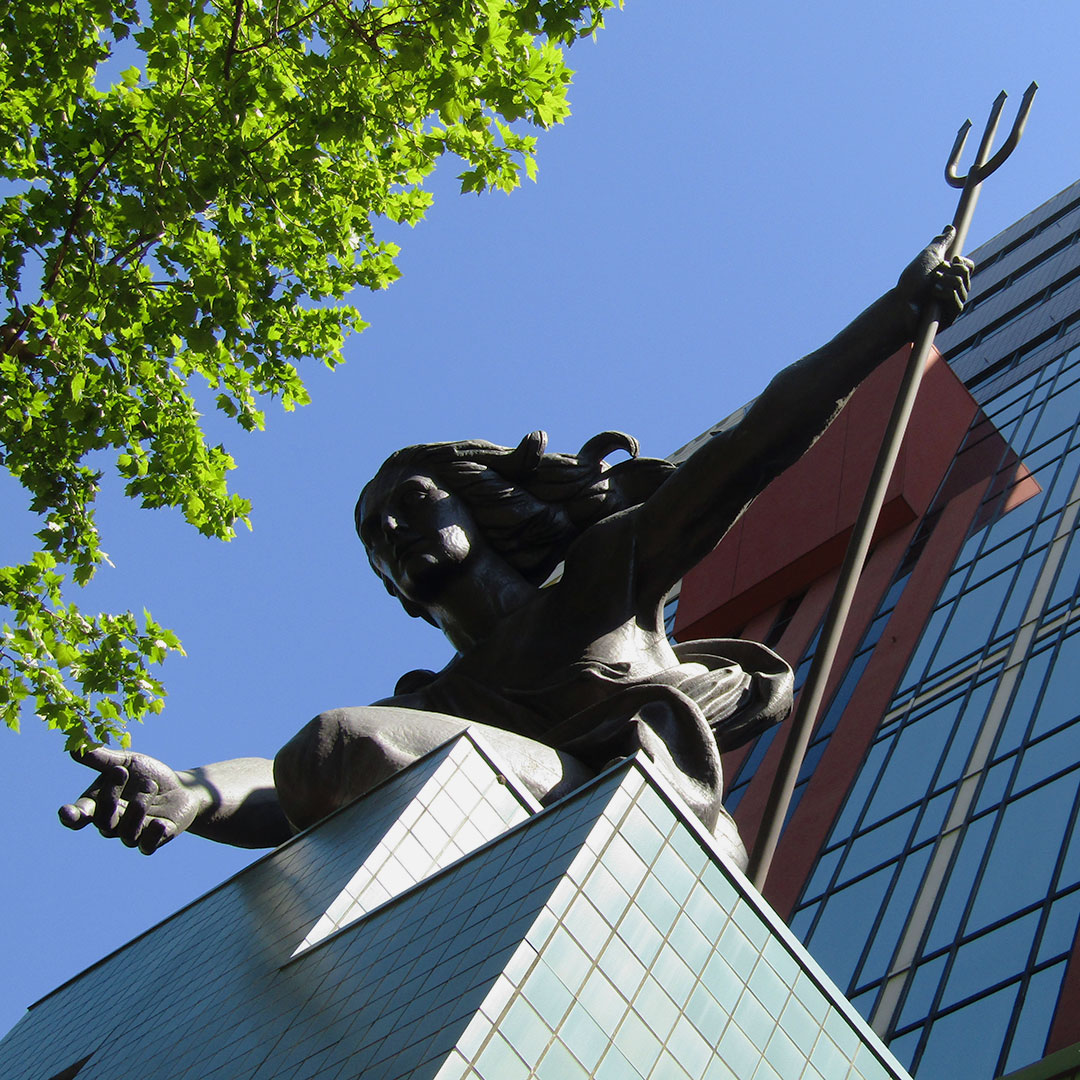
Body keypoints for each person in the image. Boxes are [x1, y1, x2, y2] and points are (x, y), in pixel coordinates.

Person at [60, 231, 972, 870]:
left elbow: (752, 447)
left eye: (409, 504)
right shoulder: (442, 701)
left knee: (339, 745)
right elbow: (285, 787)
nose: (392, 532)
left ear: (480, 507)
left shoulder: (605, 578)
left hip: (642, 822)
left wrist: (893, 315)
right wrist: (190, 791)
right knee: (337, 756)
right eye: (375, 537)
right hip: (519, 821)